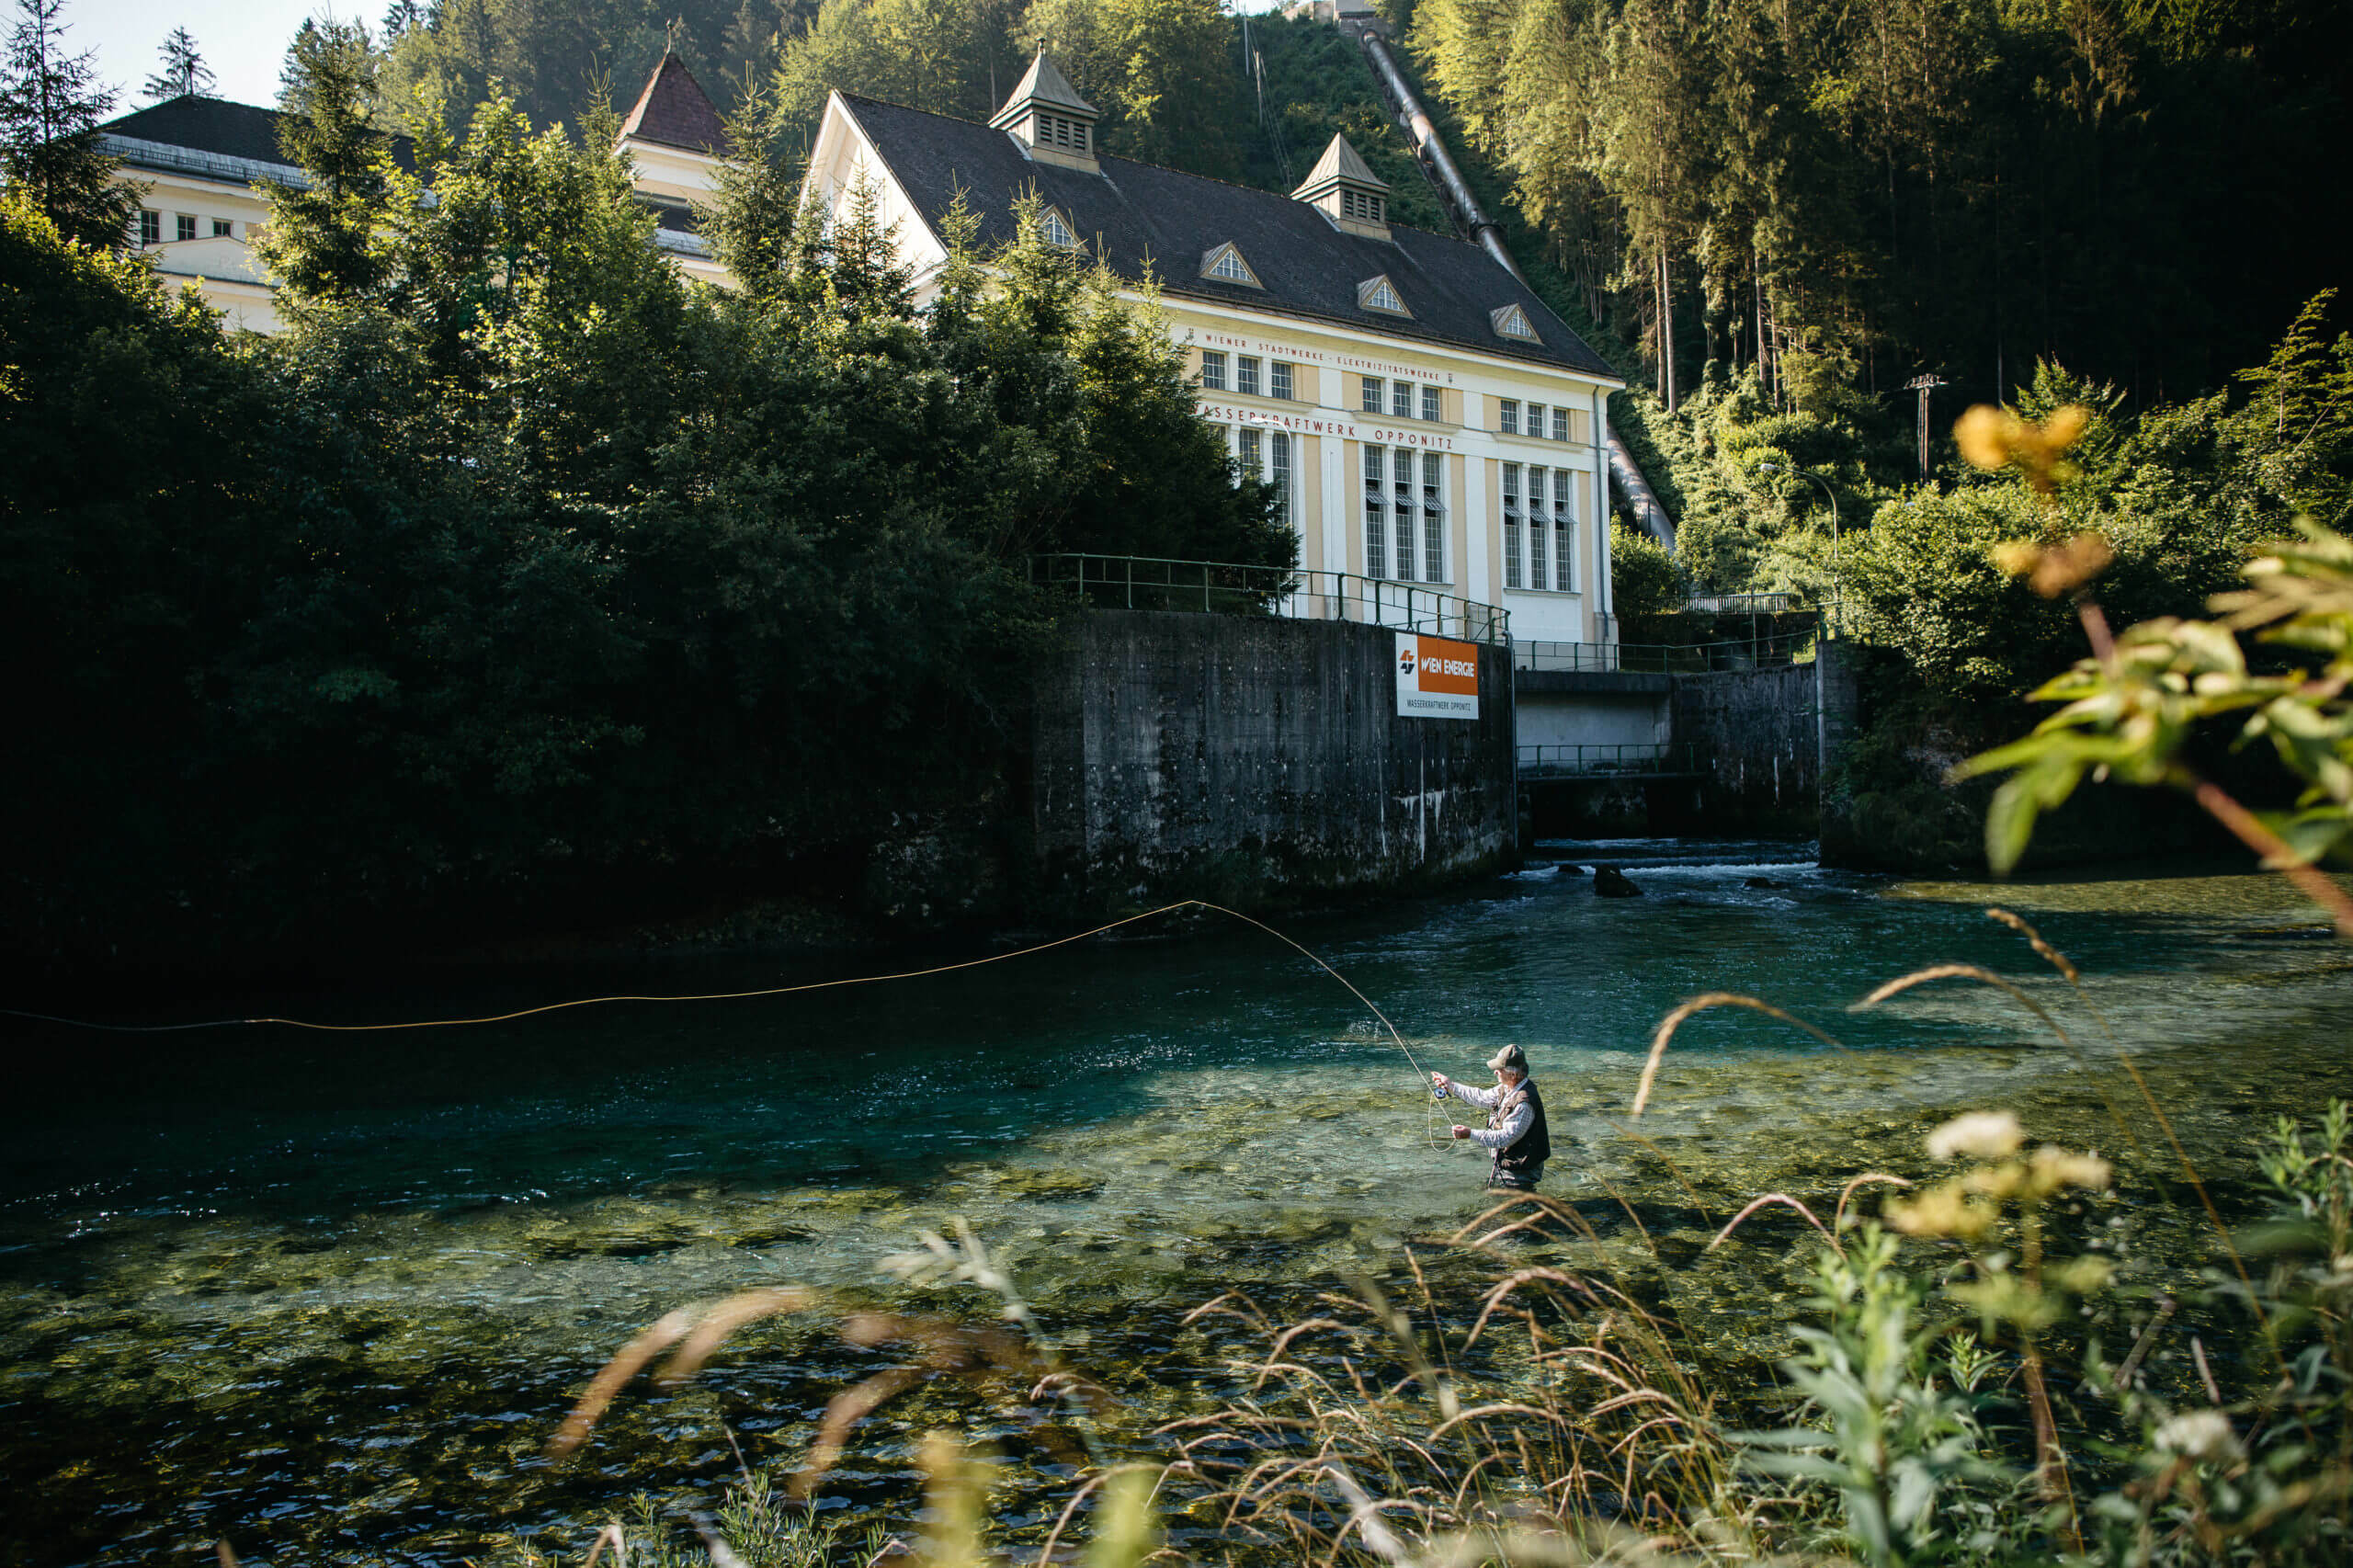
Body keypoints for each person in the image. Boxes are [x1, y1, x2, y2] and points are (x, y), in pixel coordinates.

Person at [1431, 1043, 1552, 1190]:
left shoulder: (1524, 1103)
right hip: (1509, 1165)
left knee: (1512, 1208)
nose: (1495, 1072)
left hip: (1520, 1171)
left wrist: (1470, 1134)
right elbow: (1481, 1097)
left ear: (1512, 1075)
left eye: (1499, 1070)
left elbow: (1505, 1138)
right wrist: (1450, 1085)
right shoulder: (1507, 1087)